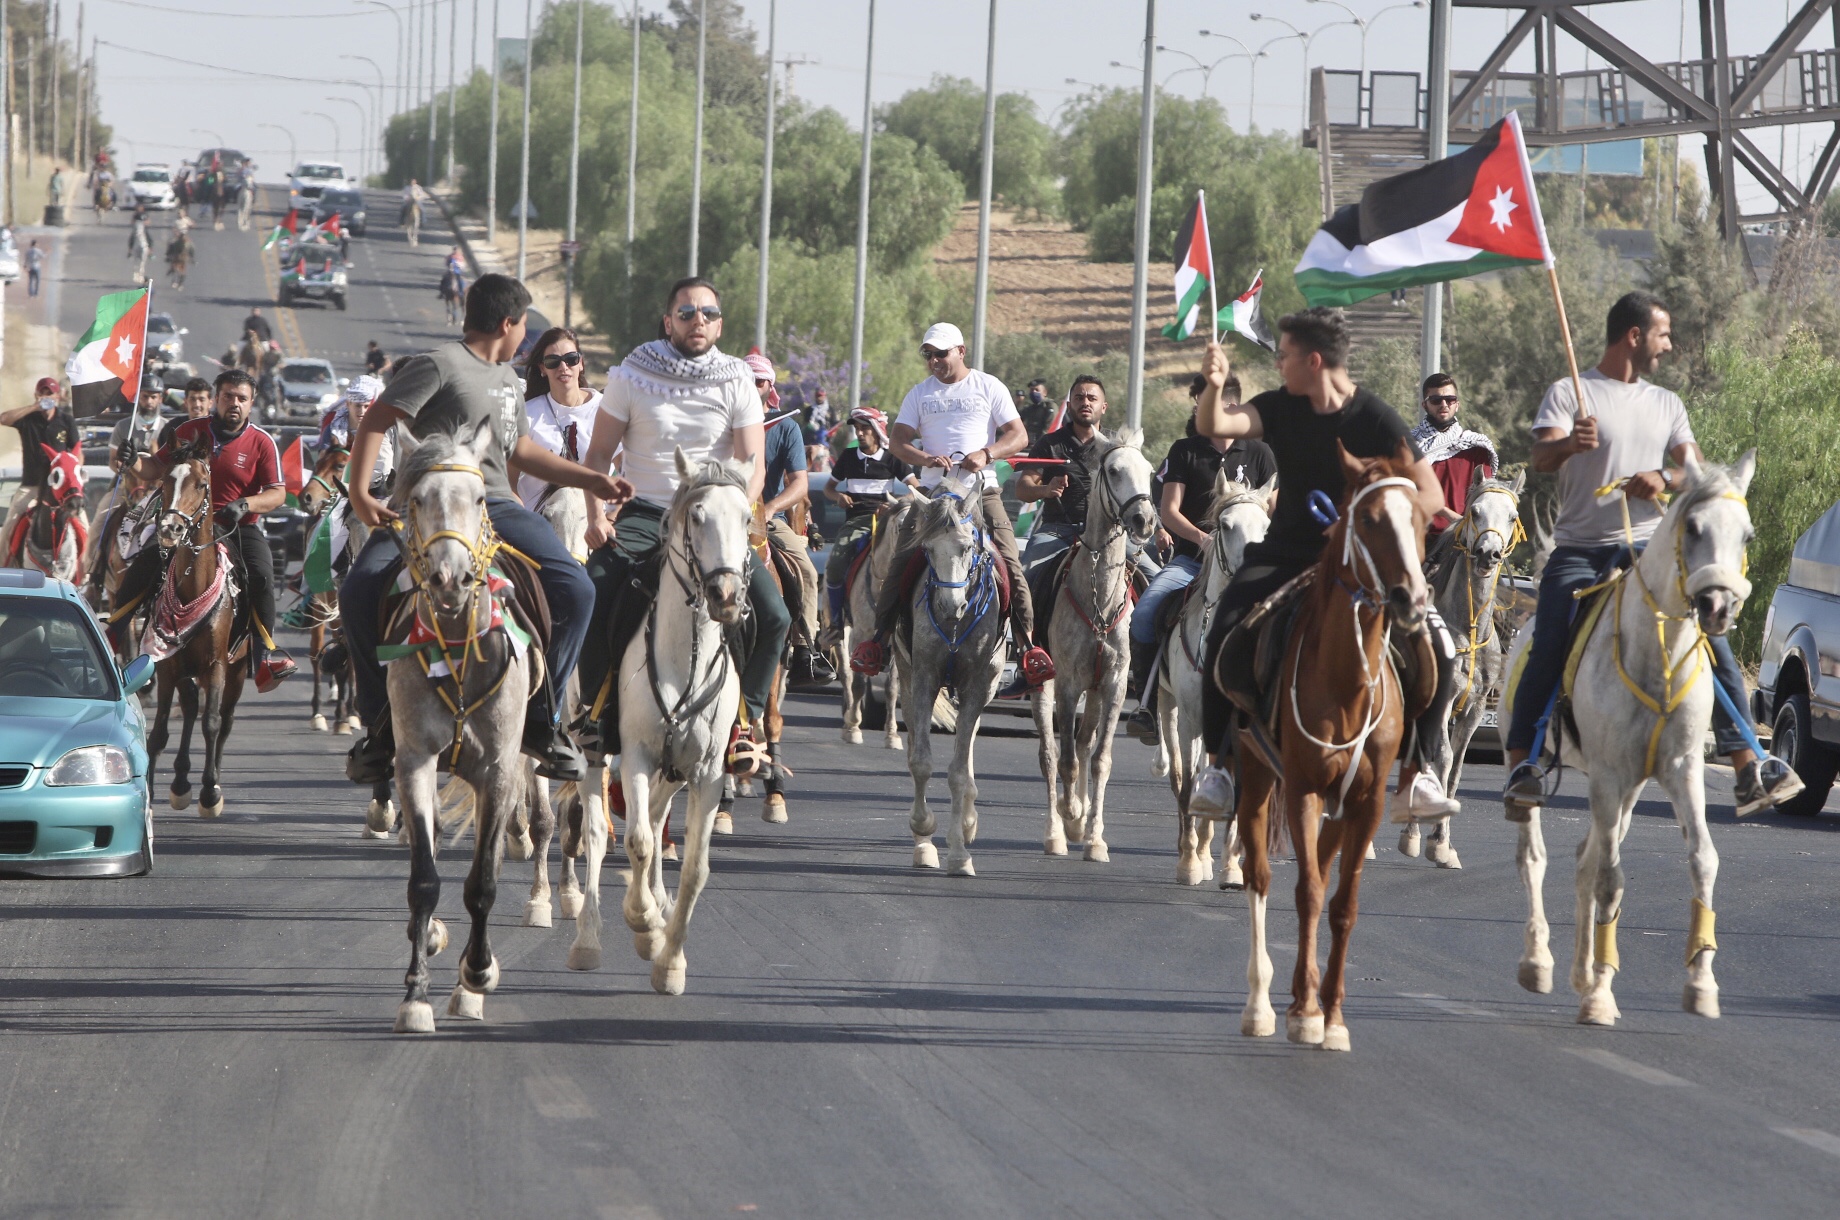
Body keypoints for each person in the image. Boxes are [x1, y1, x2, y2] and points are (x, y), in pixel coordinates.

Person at [1502, 291, 1800, 818]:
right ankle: (1523, 764)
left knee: (1713, 637)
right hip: (1581, 548)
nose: (1669, 345)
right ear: (1634, 336)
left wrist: (1663, 476)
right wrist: (1572, 442)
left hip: (1649, 546)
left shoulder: (1667, 403)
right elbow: (1541, 456)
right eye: (1663, 335)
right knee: (1550, 636)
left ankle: (1749, 765)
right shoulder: (1570, 392)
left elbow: (1698, 473)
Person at [341, 274, 621, 785]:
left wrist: (593, 479)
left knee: (577, 590)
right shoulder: (438, 365)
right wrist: (362, 495)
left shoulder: (510, 379)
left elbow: (518, 452)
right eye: (524, 327)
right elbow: (376, 420)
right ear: (507, 323)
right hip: (430, 506)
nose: (526, 340)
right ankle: (379, 725)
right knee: (359, 589)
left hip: (496, 505)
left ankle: (545, 718)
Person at [1185, 308, 1454, 820]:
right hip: (1286, 555)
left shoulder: (1374, 417)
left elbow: (1432, 492)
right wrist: (1215, 385)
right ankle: (1218, 767)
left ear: (1312, 360)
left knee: (1439, 646)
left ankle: (1418, 775)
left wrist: (1364, 524)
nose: (1278, 362)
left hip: (1364, 565)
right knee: (1223, 627)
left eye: (1283, 355)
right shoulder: (1279, 406)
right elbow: (1215, 422)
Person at [577, 276, 787, 769]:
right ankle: (594, 715)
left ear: (720, 323)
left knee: (774, 613)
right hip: (647, 511)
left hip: (716, 518)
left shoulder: (737, 377)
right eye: (688, 313)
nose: (699, 321)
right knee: (593, 590)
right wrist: (594, 516)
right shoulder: (631, 373)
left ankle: (743, 723)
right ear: (668, 320)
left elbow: (752, 465)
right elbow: (599, 455)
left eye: (708, 313)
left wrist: (735, 516)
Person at [849, 322, 1052, 690]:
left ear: (960, 351)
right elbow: (897, 441)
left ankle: (1027, 646)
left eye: (941, 353)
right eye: (928, 354)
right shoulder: (919, 394)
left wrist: (986, 453)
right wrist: (924, 458)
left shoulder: (989, 386)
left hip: (981, 492)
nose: (934, 361)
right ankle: (877, 642)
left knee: (1011, 563)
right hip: (933, 498)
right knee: (899, 564)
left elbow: (1018, 435)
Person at [114, 369, 297, 691]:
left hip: (238, 527)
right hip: (186, 523)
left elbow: (277, 493)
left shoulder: (261, 442)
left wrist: (247, 504)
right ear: (216, 399)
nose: (234, 404)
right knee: (144, 564)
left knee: (263, 575)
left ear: (251, 403)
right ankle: (113, 635)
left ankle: (265, 654)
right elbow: (155, 469)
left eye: (242, 398)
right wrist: (132, 462)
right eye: (228, 396)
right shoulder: (188, 431)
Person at [1123, 371, 1277, 742]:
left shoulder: (1260, 452)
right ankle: (1145, 705)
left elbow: (1273, 507)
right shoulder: (1184, 450)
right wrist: (1204, 540)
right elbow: (1170, 509)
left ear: (1233, 407)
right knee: (1143, 615)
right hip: (1192, 563)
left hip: (1251, 567)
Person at [751, 352, 827, 684]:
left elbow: (800, 482)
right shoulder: (722, 419)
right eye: (746, 381)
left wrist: (768, 509)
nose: (753, 387)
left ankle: (804, 648)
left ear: (770, 386)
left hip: (770, 518)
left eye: (760, 381)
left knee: (808, 571)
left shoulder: (786, 428)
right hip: (723, 515)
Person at [821, 406, 916, 632]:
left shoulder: (893, 457)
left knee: (914, 562)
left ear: (876, 430)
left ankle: (912, 620)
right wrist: (839, 497)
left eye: (865, 429)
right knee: (834, 566)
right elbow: (828, 489)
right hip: (855, 523)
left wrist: (896, 503)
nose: (860, 434)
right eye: (858, 430)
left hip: (887, 523)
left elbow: (917, 490)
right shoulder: (847, 457)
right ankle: (835, 623)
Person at [518, 326, 601, 510]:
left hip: (595, 522)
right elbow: (508, 480)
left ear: (581, 364)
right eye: (553, 361)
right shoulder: (527, 414)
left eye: (571, 359)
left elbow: (626, 470)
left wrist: (611, 517)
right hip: (540, 524)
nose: (563, 367)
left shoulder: (605, 410)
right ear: (542, 368)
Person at [1410, 372, 1496, 536]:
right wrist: (1445, 513)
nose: (1444, 404)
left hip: (1464, 538)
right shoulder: (1409, 447)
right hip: (1418, 537)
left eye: (1450, 399)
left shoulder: (1476, 447)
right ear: (1425, 405)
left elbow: (1486, 499)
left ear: (1457, 404)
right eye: (1436, 400)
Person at [1, 377, 83, 550]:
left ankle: (88, 570)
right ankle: (5, 569)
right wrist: (34, 407)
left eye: (50, 394)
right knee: (8, 529)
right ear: (36, 395)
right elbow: (4, 419)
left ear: (58, 396)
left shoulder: (66, 421)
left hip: (61, 489)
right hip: (31, 486)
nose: (47, 397)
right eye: (43, 393)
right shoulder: (28, 419)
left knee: (84, 527)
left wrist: (73, 472)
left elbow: (78, 453)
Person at [1018, 379, 1054, 446]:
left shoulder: (1049, 406)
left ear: (1044, 392)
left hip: (1044, 444)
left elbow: (1049, 427)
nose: (1034, 392)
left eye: (1037, 390)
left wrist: (1040, 443)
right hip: (1028, 443)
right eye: (1032, 390)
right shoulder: (1029, 409)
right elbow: (1017, 422)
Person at [128, 212, 152, 281]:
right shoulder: (136, 226)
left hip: (144, 244)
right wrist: (130, 247)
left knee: (143, 261)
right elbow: (132, 238)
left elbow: (149, 238)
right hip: (136, 244)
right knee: (136, 260)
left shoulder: (144, 228)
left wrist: (150, 247)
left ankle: (141, 274)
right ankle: (135, 274)